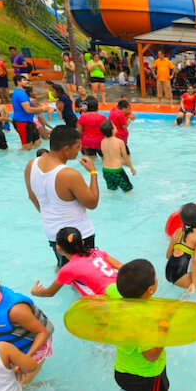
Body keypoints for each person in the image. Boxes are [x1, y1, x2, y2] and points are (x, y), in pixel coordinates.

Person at [104, 260, 169, 391]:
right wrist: (164, 332)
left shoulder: (115, 293)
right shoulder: (145, 321)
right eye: (155, 277)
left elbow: (108, 289)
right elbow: (151, 356)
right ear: (150, 289)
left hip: (122, 372)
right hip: (146, 377)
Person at [24, 125, 98, 266]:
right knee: (85, 272)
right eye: (77, 147)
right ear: (66, 149)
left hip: (52, 233)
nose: (80, 150)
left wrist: (51, 216)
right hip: (78, 235)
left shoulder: (31, 165)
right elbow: (92, 203)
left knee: (64, 267)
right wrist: (93, 173)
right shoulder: (69, 174)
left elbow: (32, 197)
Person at [31, 226, 121, 298]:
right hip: (122, 288)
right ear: (82, 243)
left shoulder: (68, 269)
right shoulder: (97, 252)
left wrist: (35, 292)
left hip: (107, 298)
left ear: (58, 248)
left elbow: (49, 293)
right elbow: (120, 266)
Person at [165, 203, 196, 292]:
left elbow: (168, 255)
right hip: (180, 274)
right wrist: (194, 284)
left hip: (168, 272)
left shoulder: (177, 231)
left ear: (182, 219)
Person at [10, 75, 47, 150]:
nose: (27, 82)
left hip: (29, 121)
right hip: (22, 122)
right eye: (24, 80)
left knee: (37, 142)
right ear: (18, 82)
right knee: (27, 146)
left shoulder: (21, 92)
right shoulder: (21, 94)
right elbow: (28, 109)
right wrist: (42, 108)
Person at [100, 120, 135, 192]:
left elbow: (108, 156)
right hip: (117, 171)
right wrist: (131, 168)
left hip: (106, 171)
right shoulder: (119, 142)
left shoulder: (102, 141)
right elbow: (126, 158)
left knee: (112, 190)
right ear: (112, 130)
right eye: (114, 126)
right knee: (128, 190)